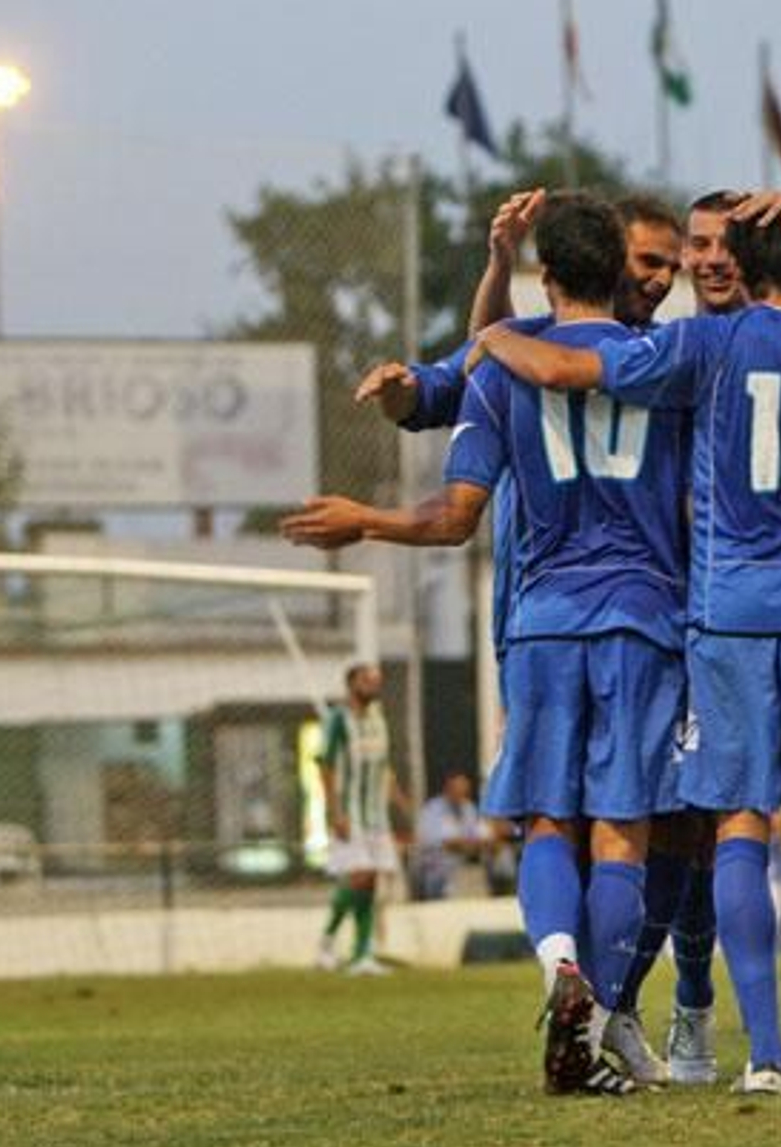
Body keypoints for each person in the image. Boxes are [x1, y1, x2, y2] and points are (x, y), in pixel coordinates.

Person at [475, 213, 781, 1095]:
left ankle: (766, 1057)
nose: (703, 261)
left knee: (740, 824)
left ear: (739, 266)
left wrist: (487, 335)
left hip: (726, 613)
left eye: (715, 249)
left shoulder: (703, 345)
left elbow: (563, 368)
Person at [285, 191, 689, 1098]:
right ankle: (606, 1011)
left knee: (546, 820)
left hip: (542, 624)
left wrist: (365, 521)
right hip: (644, 622)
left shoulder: (504, 368)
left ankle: (560, 967)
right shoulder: (669, 362)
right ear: (620, 268)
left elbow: (454, 516)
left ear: (547, 275)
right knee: (622, 831)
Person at [315, 664, 405, 976]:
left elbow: (383, 765)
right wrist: (334, 812)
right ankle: (327, 941)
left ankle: (362, 954)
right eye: (367, 680)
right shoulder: (338, 720)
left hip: (376, 815)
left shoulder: (378, 719)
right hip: (349, 812)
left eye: (377, 681)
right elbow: (325, 766)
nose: (374, 685)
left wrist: (397, 797)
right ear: (352, 683)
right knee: (359, 875)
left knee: (371, 880)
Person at [414, 771, 491, 900]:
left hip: (464, 867)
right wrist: (463, 844)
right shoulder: (432, 809)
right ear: (448, 789)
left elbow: (483, 837)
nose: (461, 795)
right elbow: (436, 842)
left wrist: (466, 844)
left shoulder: (469, 808)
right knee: (440, 874)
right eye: (458, 791)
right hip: (435, 867)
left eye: (465, 791)